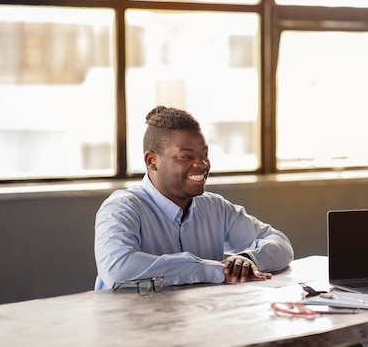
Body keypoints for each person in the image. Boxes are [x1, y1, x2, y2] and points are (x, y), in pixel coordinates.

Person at [94, 106, 294, 290]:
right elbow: (118, 269)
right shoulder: (122, 208)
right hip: (130, 325)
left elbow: (281, 244)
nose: (202, 164)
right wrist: (212, 270)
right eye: (186, 157)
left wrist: (247, 259)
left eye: (204, 155)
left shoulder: (216, 207)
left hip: (198, 321)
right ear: (151, 160)